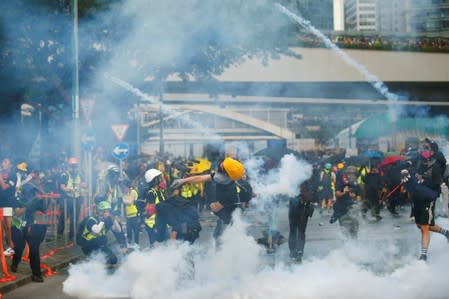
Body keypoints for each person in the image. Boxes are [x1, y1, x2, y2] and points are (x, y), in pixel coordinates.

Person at [171, 157, 245, 240]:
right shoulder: (225, 178)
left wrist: (211, 201)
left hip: (229, 222)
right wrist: (183, 181)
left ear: (227, 173)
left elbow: (215, 208)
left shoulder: (226, 188)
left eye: (223, 165)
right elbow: (201, 178)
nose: (221, 164)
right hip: (225, 217)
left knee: (223, 242)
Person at [403, 143, 449, 261]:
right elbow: (410, 173)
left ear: (432, 152)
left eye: (427, 148)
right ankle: (446, 233)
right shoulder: (419, 163)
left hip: (428, 199)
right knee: (421, 225)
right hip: (417, 198)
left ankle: (423, 256)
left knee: (424, 227)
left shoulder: (435, 167)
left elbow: (436, 185)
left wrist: (422, 180)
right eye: (422, 148)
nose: (423, 150)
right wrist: (407, 177)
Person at [11, 184, 49, 282]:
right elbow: (17, 213)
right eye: (31, 192)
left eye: (34, 192)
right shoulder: (17, 199)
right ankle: (14, 264)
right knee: (19, 248)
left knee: (34, 250)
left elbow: (45, 210)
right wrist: (27, 206)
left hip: (32, 227)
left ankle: (36, 274)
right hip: (19, 227)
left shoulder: (36, 200)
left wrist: (42, 198)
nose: (32, 194)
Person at [77, 201, 126, 265]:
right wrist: (102, 220)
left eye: (108, 211)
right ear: (100, 212)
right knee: (96, 263)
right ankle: (86, 261)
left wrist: (114, 220)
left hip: (100, 245)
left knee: (113, 260)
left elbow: (118, 230)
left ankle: (96, 261)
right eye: (105, 211)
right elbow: (96, 230)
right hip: (88, 245)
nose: (107, 213)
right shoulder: (91, 219)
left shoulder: (106, 220)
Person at [288, 178, 314, 263]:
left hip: (303, 211)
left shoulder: (306, 184)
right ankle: (294, 251)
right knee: (294, 231)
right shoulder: (293, 184)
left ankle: (298, 251)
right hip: (295, 210)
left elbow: (310, 196)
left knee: (300, 232)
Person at [138, 168, 166, 245]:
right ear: (155, 180)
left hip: (161, 222)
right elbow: (150, 209)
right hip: (153, 224)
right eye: (159, 177)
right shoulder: (151, 193)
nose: (161, 179)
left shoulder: (160, 191)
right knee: (156, 246)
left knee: (164, 245)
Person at [330, 167, 359, 239]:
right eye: (349, 174)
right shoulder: (340, 183)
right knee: (345, 232)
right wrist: (344, 192)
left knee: (354, 232)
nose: (351, 176)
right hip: (342, 210)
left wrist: (354, 197)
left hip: (353, 210)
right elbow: (337, 194)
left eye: (353, 174)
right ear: (346, 175)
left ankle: (355, 248)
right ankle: (346, 248)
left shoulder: (355, 184)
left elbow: (359, 197)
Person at [58, 157, 83, 240]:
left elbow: (84, 184)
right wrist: (69, 190)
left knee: (75, 217)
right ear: (68, 166)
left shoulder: (80, 174)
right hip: (67, 199)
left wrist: (82, 187)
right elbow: (62, 186)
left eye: (75, 166)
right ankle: (59, 234)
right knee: (64, 216)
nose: (74, 168)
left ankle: (72, 236)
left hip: (77, 198)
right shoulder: (64, 174)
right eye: (72, 166)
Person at [0, 158, 17, 256]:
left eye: (6, 162)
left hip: (8, 203)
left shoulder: (13, 175)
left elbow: (4, 187)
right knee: (1, 227)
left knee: (8, 226)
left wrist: (0, 178)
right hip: (0, 201)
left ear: (10, 165)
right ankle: (2, 246)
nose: (4, 163)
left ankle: (10, 246)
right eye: (3, 162)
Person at [122, 180, 139, 247]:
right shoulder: (125, 193)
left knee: (136, 231)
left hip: (135, 215)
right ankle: (129, 244)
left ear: (128, 186)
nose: (123, 189)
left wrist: (123, 200)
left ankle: (137, 244)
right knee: (129, 231)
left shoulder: (133, 192)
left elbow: (130, 202)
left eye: (124, 187)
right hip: (128, 216)